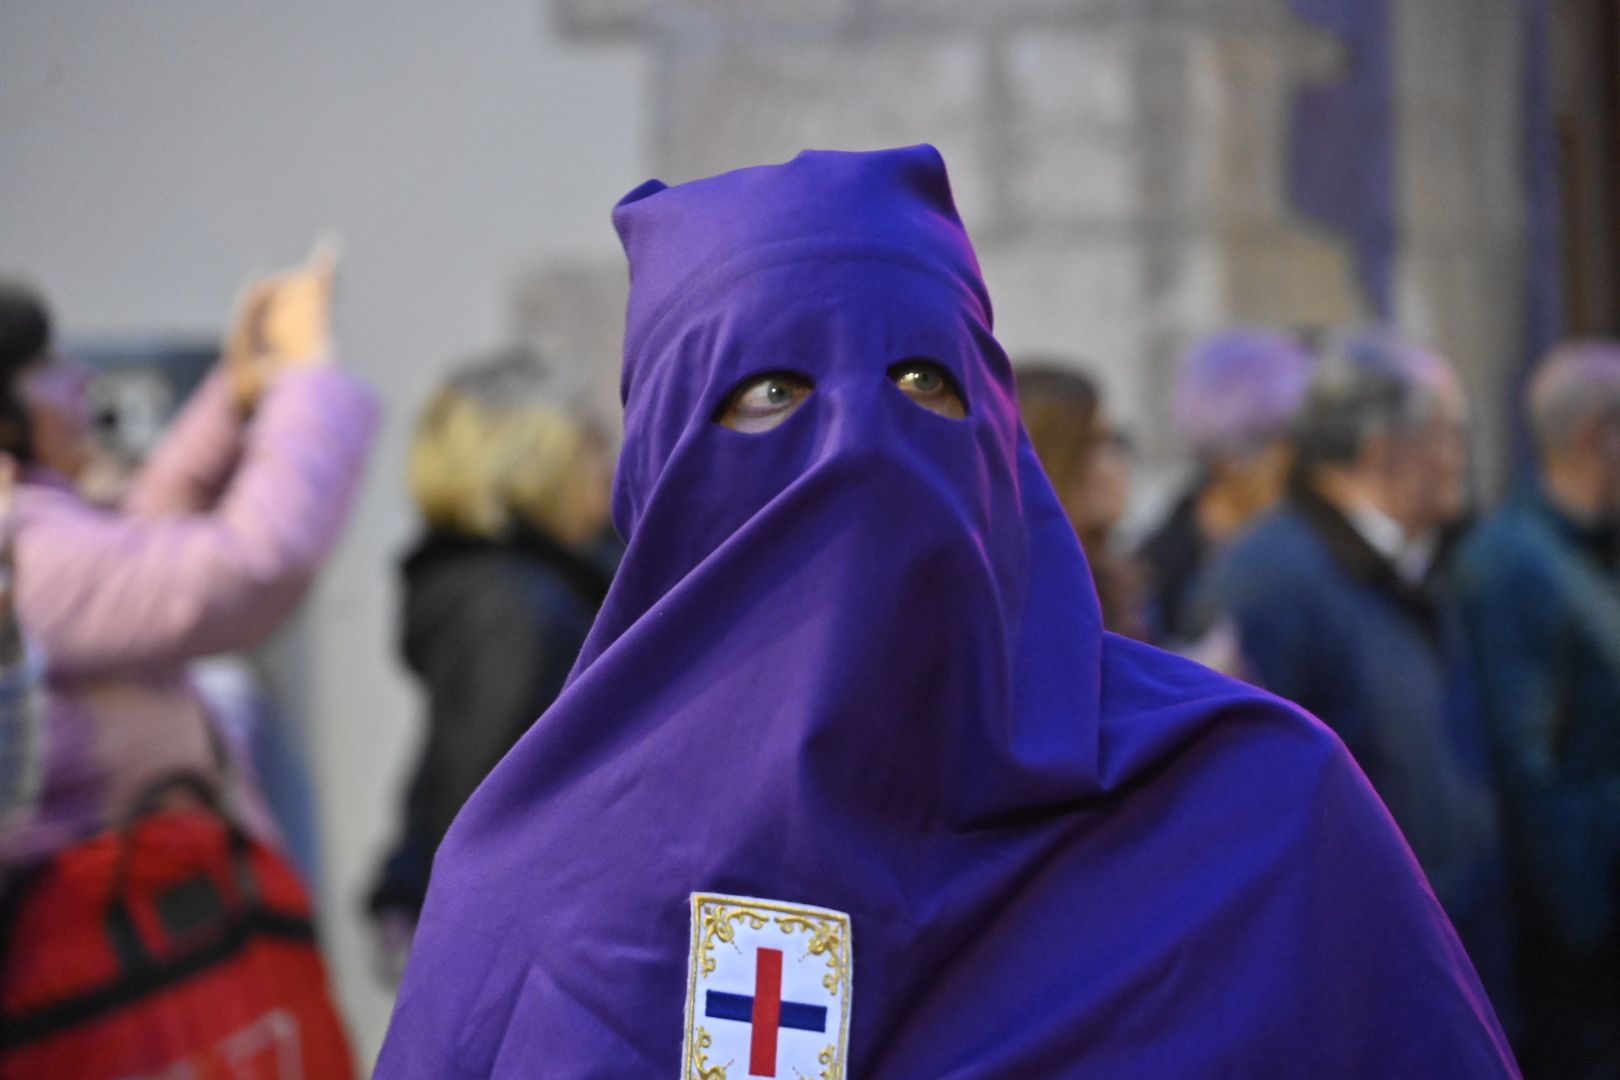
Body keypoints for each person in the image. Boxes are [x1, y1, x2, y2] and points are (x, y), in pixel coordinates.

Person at [377, 147, 1516, 1077]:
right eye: (771, 393)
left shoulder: (1257, 810)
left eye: (924, 382)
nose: (863, 449)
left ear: (1002, 437)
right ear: (658, 475)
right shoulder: (539, 893)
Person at [0, 250, 376, 864]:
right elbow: (243, 570)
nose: (79, 380)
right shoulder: (19, 548)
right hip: (114, 941)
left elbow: (136, 539)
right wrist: (307, 380)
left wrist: (240, 391)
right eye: (44, 367)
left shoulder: (33, 526)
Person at [1206, 329, 1513, 1016]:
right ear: (1384, 450)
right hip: (1365, 983)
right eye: (1450, 433)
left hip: (1451, 959)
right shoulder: (1270, 580)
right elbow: (1258, 805)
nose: (1461, 457)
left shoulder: (1421, 561)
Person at [367, 347, 615, 979]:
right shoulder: (512, 606)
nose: (609, 470)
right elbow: (483, 801)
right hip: (544, 947)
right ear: (533, 461)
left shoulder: (512, 584)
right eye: (589, 447)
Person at [1452, 340, 1620, 1080]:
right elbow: (1526, 774)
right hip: (1578, 963)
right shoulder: (1515, 561)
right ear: (1597, 436)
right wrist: (1585, 933)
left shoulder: (1585, 550)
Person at [1138, 328, 1311, 649]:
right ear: (1226, 460)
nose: (1298, 462)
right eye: (1279, 442)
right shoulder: (1158, 565)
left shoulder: (1321, 543)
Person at [1014, 361, 1143, 637]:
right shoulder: (1029, 598)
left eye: (1117, 439)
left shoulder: (1112, 578)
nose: (1116, 461)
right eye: (1094, 441)